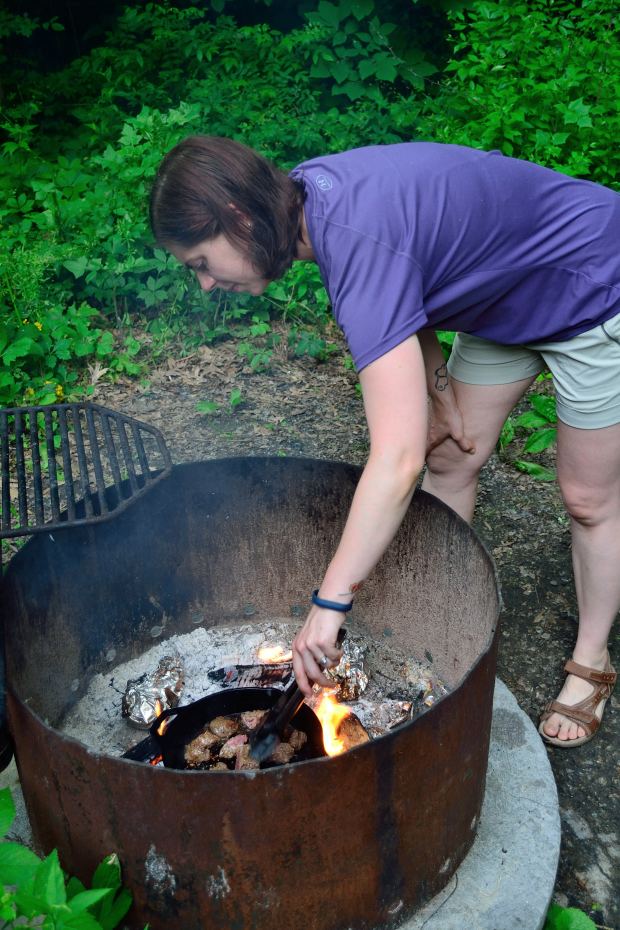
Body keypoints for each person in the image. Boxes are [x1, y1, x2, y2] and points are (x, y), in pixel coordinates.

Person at [150, 135, 619, 748]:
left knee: (588, 497)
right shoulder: (305, 201)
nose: (206, 284)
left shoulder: (351, 238)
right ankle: (441, 624)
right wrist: (439, 390)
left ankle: (593, 660)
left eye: (201, 264)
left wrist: (329, 602)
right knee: (449, 452)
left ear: (238, 219)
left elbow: (394, 462)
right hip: (505, 300)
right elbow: (410, 282)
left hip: (594, 283)